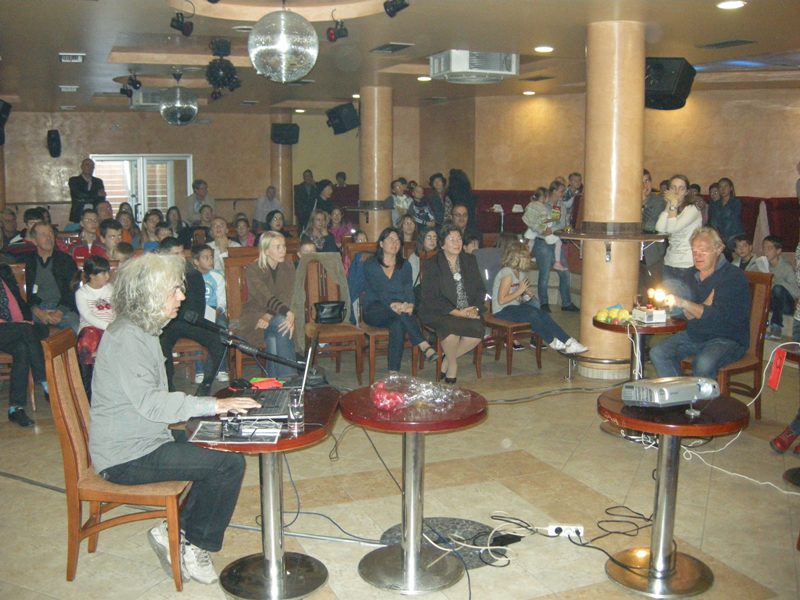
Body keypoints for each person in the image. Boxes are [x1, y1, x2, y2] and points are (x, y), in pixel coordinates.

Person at [89, 251, 258, 585]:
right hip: (126, 456)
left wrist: (210, 410)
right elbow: (152, 405)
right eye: (174, 290)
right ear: (150, 295)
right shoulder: (127, 338)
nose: (182, 296)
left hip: (147, 439)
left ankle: (174, 530)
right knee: (228, 465)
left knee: (219, 445)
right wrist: (213, 405)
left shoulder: (144, 330)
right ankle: (196, 544)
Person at [650, 227, 750, 378]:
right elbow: (685, 314)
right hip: (696, 334)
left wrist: (687, 305)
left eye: (703, 251)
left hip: (727, 338)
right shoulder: (691, 274)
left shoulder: (732, 277)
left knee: (703, 363)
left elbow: (716, 316)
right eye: (694, 251)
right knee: (658, 353)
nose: (697, 256)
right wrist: (695, 307)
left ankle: (703, 394)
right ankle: (678, 392)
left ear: (718, 249)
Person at [362, 228, 438, 374]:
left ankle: (393, 372)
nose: (395, 243)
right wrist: (392, 305)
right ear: (381, 244)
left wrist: (410, 305)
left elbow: (408, 289)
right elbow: (380, 291)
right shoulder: (371, 264)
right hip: (374, 310)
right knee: (399, 315)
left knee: (397, 323)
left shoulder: (404, 265)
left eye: (397, 240)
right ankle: (423, 344)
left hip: (399, 309)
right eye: (391, 240)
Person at [157, 238, 227, 395]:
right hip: (166, 323)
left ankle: (205, 385)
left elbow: (198, 308)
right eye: (176, 253)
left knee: (220, 338)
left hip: (189, 321)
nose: (181, 257)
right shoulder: (157, 275)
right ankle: (168, 388)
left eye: (182, 252)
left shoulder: (192, 274)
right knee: (161, 343)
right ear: (164, 255)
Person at [492, 241, 587, 354]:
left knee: (541, 313)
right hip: (501, 311)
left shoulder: (520, 273)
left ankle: (569, 341)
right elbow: (501, 300)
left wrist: (526, 295)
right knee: (532, 314)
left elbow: (518, 297)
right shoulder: (507, 273)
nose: (528, 259)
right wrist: (520, 291)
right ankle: (552, 341)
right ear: (518, 258)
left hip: (514, 308)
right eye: (526, 256)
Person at [418, 225, 485, 384]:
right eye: (452, 239)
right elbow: (432, 297)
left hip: (467, 309)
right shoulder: (432, 263)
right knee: (450, 331)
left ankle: (447, 359)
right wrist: (457, 312)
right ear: (442, 244)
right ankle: (453, 365)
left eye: (459, 239)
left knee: (478, 330)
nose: (457, 243)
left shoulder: (470, 260)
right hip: (439, 311)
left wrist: (474, 308)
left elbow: (480, 289)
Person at [237, 232, 299, 378]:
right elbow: (264, 296)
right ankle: (289, 378)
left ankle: (277, 381)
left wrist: (270, 315)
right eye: (278, 247)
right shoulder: (253, 269)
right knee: (283, 322)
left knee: (274, 334)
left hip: (276, 314)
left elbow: (286, 296)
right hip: (254, 315)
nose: (283, 250)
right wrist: (287, 313)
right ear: (265, 250)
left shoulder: (288, 266)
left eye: (284, 246)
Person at [0, 263, 48, 427]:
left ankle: (15, 408)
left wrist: (20, 323)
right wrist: (21, 326)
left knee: (22, 348)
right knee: (30, 331)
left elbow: (15, 306)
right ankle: (44, 379)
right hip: (5, 328)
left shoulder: (3, 275)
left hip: (9, 331)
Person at [526, 185, 578, 312]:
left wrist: (551, 229)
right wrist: (542, 229)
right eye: (561, 191)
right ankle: (544, 303)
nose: (562, 194)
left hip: (554, 239)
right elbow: (533, 221)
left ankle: (566, 303)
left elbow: (561, 224)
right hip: (541, 241)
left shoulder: (561, 205)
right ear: (553, 191)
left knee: (565, 272)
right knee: (544, 274)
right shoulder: (543, 203)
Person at [22, 222, 80, 332]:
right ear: (34, 241)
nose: (48, 238)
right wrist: (38, 312)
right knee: (23, 329)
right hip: (36, 310)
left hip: (63, 308)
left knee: (76, 326)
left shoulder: (65, 260)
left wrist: (60, 312)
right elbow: (24, 294)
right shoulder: (28, 262)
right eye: (43, 234)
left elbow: (73, 289)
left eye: (50, 233)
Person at [655, 174, 703, 298]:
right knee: (669, 304)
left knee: (684, 304)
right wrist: (669, 205)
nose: (676, 192)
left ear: (686, 192)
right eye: (673, 188)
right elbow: (660, 229)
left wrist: (673, 204)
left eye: (681, 188)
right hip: (670, 262)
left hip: (687, 264)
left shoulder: (692, 209)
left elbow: (672, 229)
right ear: (668, 190)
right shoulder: (673, 207)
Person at [75, 255, 115, 397]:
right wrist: (107, 326)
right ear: (92, 275)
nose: (107, 276)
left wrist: (114, 326)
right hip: (92, 328)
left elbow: (117, 309)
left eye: (107, 272)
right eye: (103, 273)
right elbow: (87, 315)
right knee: (88, 338)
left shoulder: (110, 289)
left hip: (110, 327)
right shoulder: (82, 293)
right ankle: (88, 390)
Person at [192, 244, 229, 382]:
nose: (210, 260)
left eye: (211, 257)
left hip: (214, 310)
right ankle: (200, 370)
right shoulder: (190, 277)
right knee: (194, 326)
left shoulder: (217, 276)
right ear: (196, 261)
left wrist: (216, 312)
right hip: (197, 310)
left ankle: (221, 369)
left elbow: (222, 302)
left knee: (221, 328)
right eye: (205, 258)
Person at [762, 235, 800, 339]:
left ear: (778, 251)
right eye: (764, 248)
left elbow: (796, 292)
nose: (765, 251)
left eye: (769, 248)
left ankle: (776, 326)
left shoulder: (786, 268)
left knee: (778, 289)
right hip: (771, 303)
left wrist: (777, 281)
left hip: (786, 305)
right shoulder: (763, 265)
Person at [641, 169, 667, 291]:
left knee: (654, 290)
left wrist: (641, 204)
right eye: (641, 182)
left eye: (647, 181)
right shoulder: (628, 202)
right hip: (632, 254)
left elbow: (650, 225)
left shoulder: (659, 201)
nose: (644, 186)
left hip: (653, 254)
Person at [708, 177, 744, 251]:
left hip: (735, 234)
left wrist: (724, 238)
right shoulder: (714, 204)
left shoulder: (736, 202)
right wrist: (718, 236)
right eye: (720, 187)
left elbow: (733, 221)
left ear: (731, 188)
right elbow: (713, 222)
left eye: (725, 186)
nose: (723, 189)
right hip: (719, 236)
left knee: (731, 243)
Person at [68, 158, 107, 223]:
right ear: (82, 167)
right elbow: (78, 195)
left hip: (95, 214)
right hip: (78, 214)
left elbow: (101, 198)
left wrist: (85, 198)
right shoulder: (74, 180)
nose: (90, 167)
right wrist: (96, 194)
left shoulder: (98, 182)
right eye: (87, 165)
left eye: (92, 166)